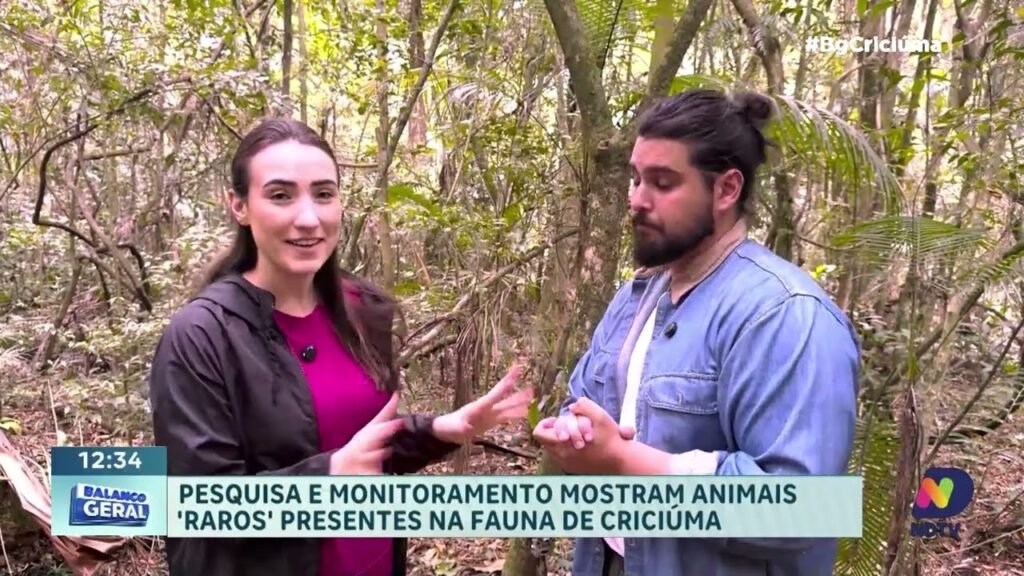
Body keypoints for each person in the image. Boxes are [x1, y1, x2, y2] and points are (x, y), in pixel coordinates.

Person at [148, 118, 533, 576]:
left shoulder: (362, 309)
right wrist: (328, 475)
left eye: (323, 194)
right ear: (239, 206)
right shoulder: (201, 335)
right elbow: (199, 510)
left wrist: (440, 431)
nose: (308, 218)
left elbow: (364, 447)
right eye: (280, 195)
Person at [532, 88, 860, 575]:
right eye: (636, 179)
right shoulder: (637, 296)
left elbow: (801, 511)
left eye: (663, 183)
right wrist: (573, 433)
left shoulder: (784, 315)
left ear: (726, 190)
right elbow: (582, 401)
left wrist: (625, 462)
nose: (638, 200)